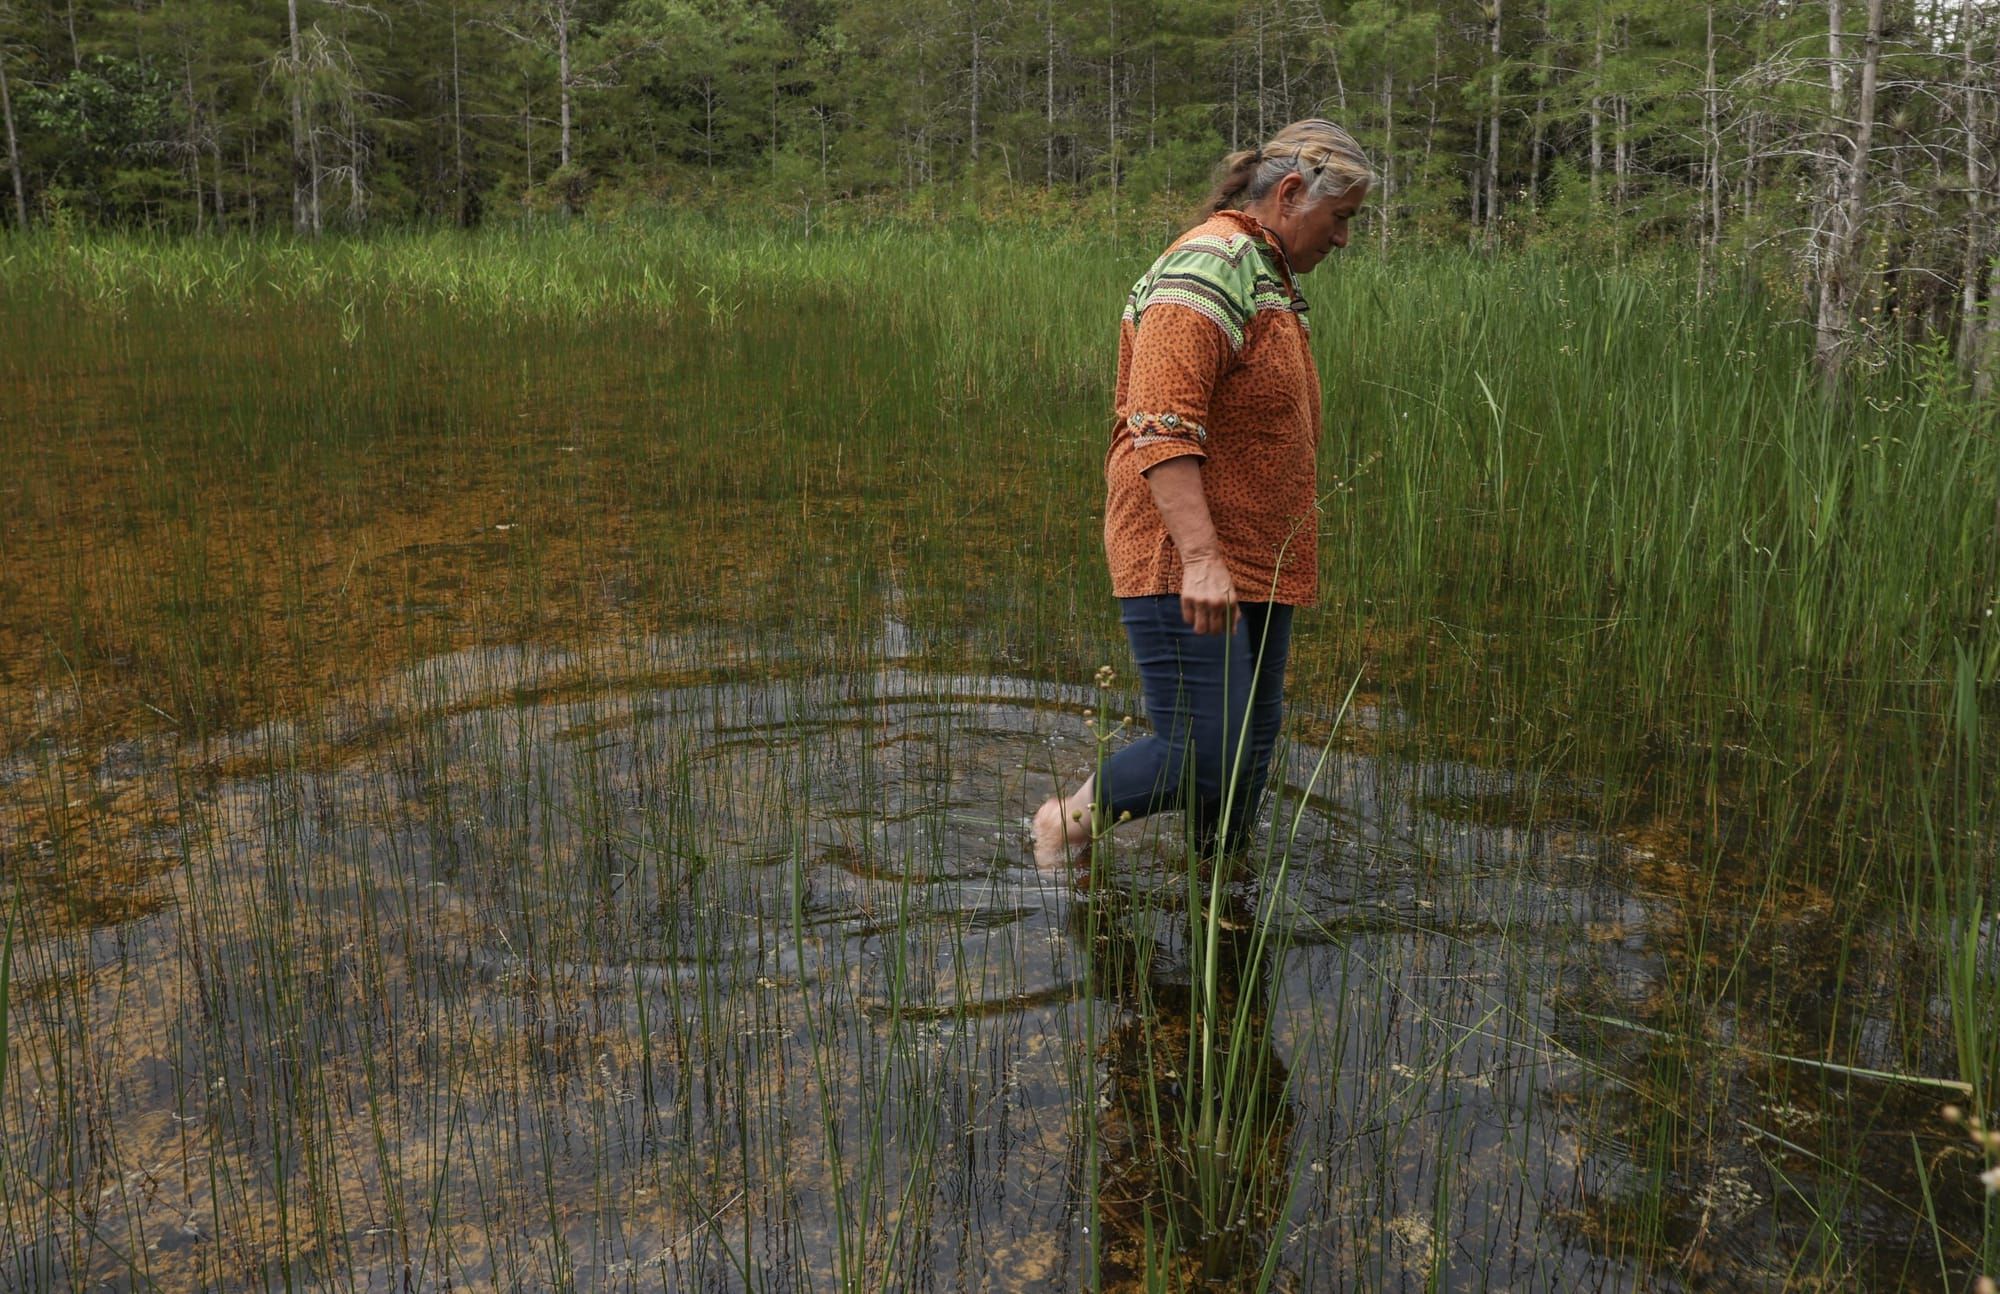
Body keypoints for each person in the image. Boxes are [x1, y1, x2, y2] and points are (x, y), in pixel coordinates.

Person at [1034, 119, 1373, 869]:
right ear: (1290, 194)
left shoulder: (1263, 272)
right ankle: (1066, 822)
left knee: (1249, 748)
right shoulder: (1210, 265)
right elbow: (1159, 423)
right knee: (1204, 751)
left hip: (1255, 554)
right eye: (1340, 218)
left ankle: (1219, 889)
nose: (1344, 239)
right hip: (1187, 553)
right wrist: (1200, 558)